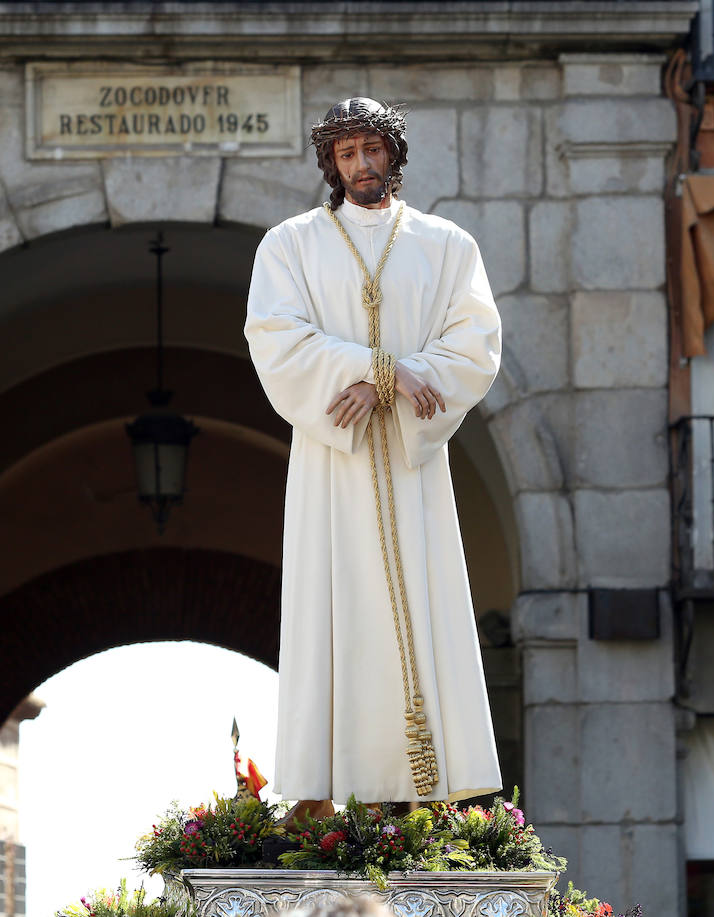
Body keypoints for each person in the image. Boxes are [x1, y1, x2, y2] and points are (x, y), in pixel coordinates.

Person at [243, 98, 503, 809]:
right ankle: (327, 796)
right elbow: (274, 335)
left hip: (415, 468)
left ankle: (432, 795)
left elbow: (475, 343)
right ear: (330, 162)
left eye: (372, 148)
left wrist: (398, 382)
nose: (361, 163)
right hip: (334, 462)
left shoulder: (448, 245)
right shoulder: (290, 246)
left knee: (423, 606)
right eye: (347, 151)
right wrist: (380, 370)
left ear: (394, 153)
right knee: (335, 609)